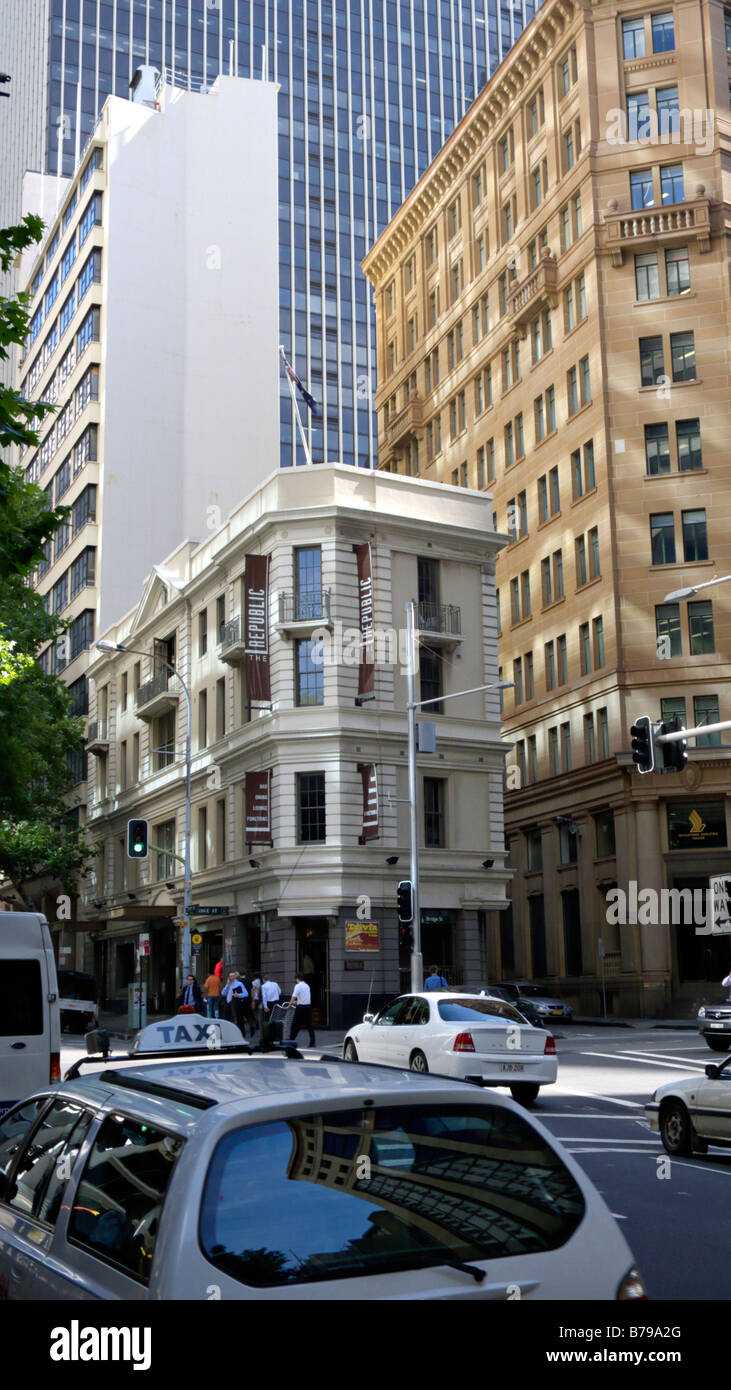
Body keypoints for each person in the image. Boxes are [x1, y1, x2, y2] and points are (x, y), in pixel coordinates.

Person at [288, 972, 315, 1047]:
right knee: (309, 1025)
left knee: (295, 1025)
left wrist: (289, 1005)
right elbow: (304, 997)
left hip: (301, 1008)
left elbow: (293, 996)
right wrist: (297, 1001)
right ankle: (312, 1042)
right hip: (308, 1007)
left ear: (297, 979)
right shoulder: (307, 986)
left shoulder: (298, 986)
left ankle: (291, 1040)